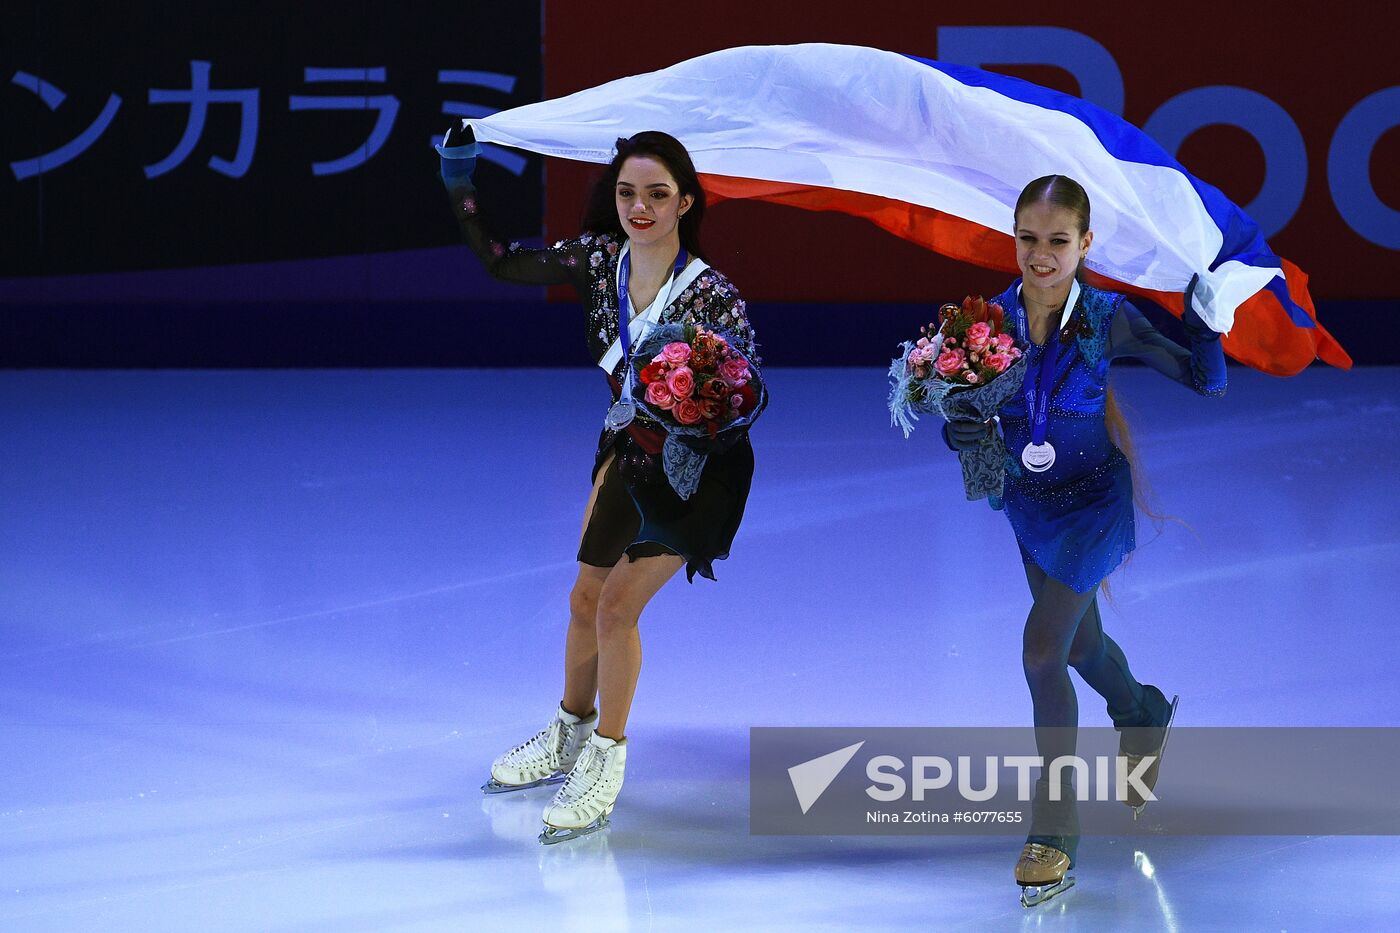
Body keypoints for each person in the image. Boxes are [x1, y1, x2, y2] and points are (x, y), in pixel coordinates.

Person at [436, 124, 763, 844]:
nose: (639, 207)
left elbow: (749, 396)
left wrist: (693, 417)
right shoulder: (597, 259)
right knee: (584, 595)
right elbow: (501, 263)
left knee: (616, 607)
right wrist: (462, 185)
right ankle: (569, 732)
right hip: (626, 446)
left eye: (655, 194)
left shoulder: (712, 294)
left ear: (686, 202)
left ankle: (606, 761)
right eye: (626, 193)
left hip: (699, 469)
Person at [944, 174, 1226, 906]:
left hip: (1095, 505)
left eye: (1059, 241)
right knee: (1077, 647)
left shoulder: (1107, 318)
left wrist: (1207, 328)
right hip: (1027, 505)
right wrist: (962, 428)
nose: (1042, 256)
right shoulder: (982, 327)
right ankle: (1140, 711)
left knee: (1042, 650)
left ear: (1085, 243)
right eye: (1029, 239)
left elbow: (1204, 380)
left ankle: (1054, 831)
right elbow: (962, 418)